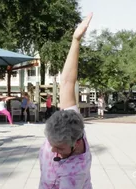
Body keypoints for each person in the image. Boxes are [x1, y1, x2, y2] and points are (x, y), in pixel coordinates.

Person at [39, 13, 93, 189]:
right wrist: (76, 40)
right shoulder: (71, 123)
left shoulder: (74, 175)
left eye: (60, 148)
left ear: (76, 143)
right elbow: (67, 81)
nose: (54, 150)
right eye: (51, 144)